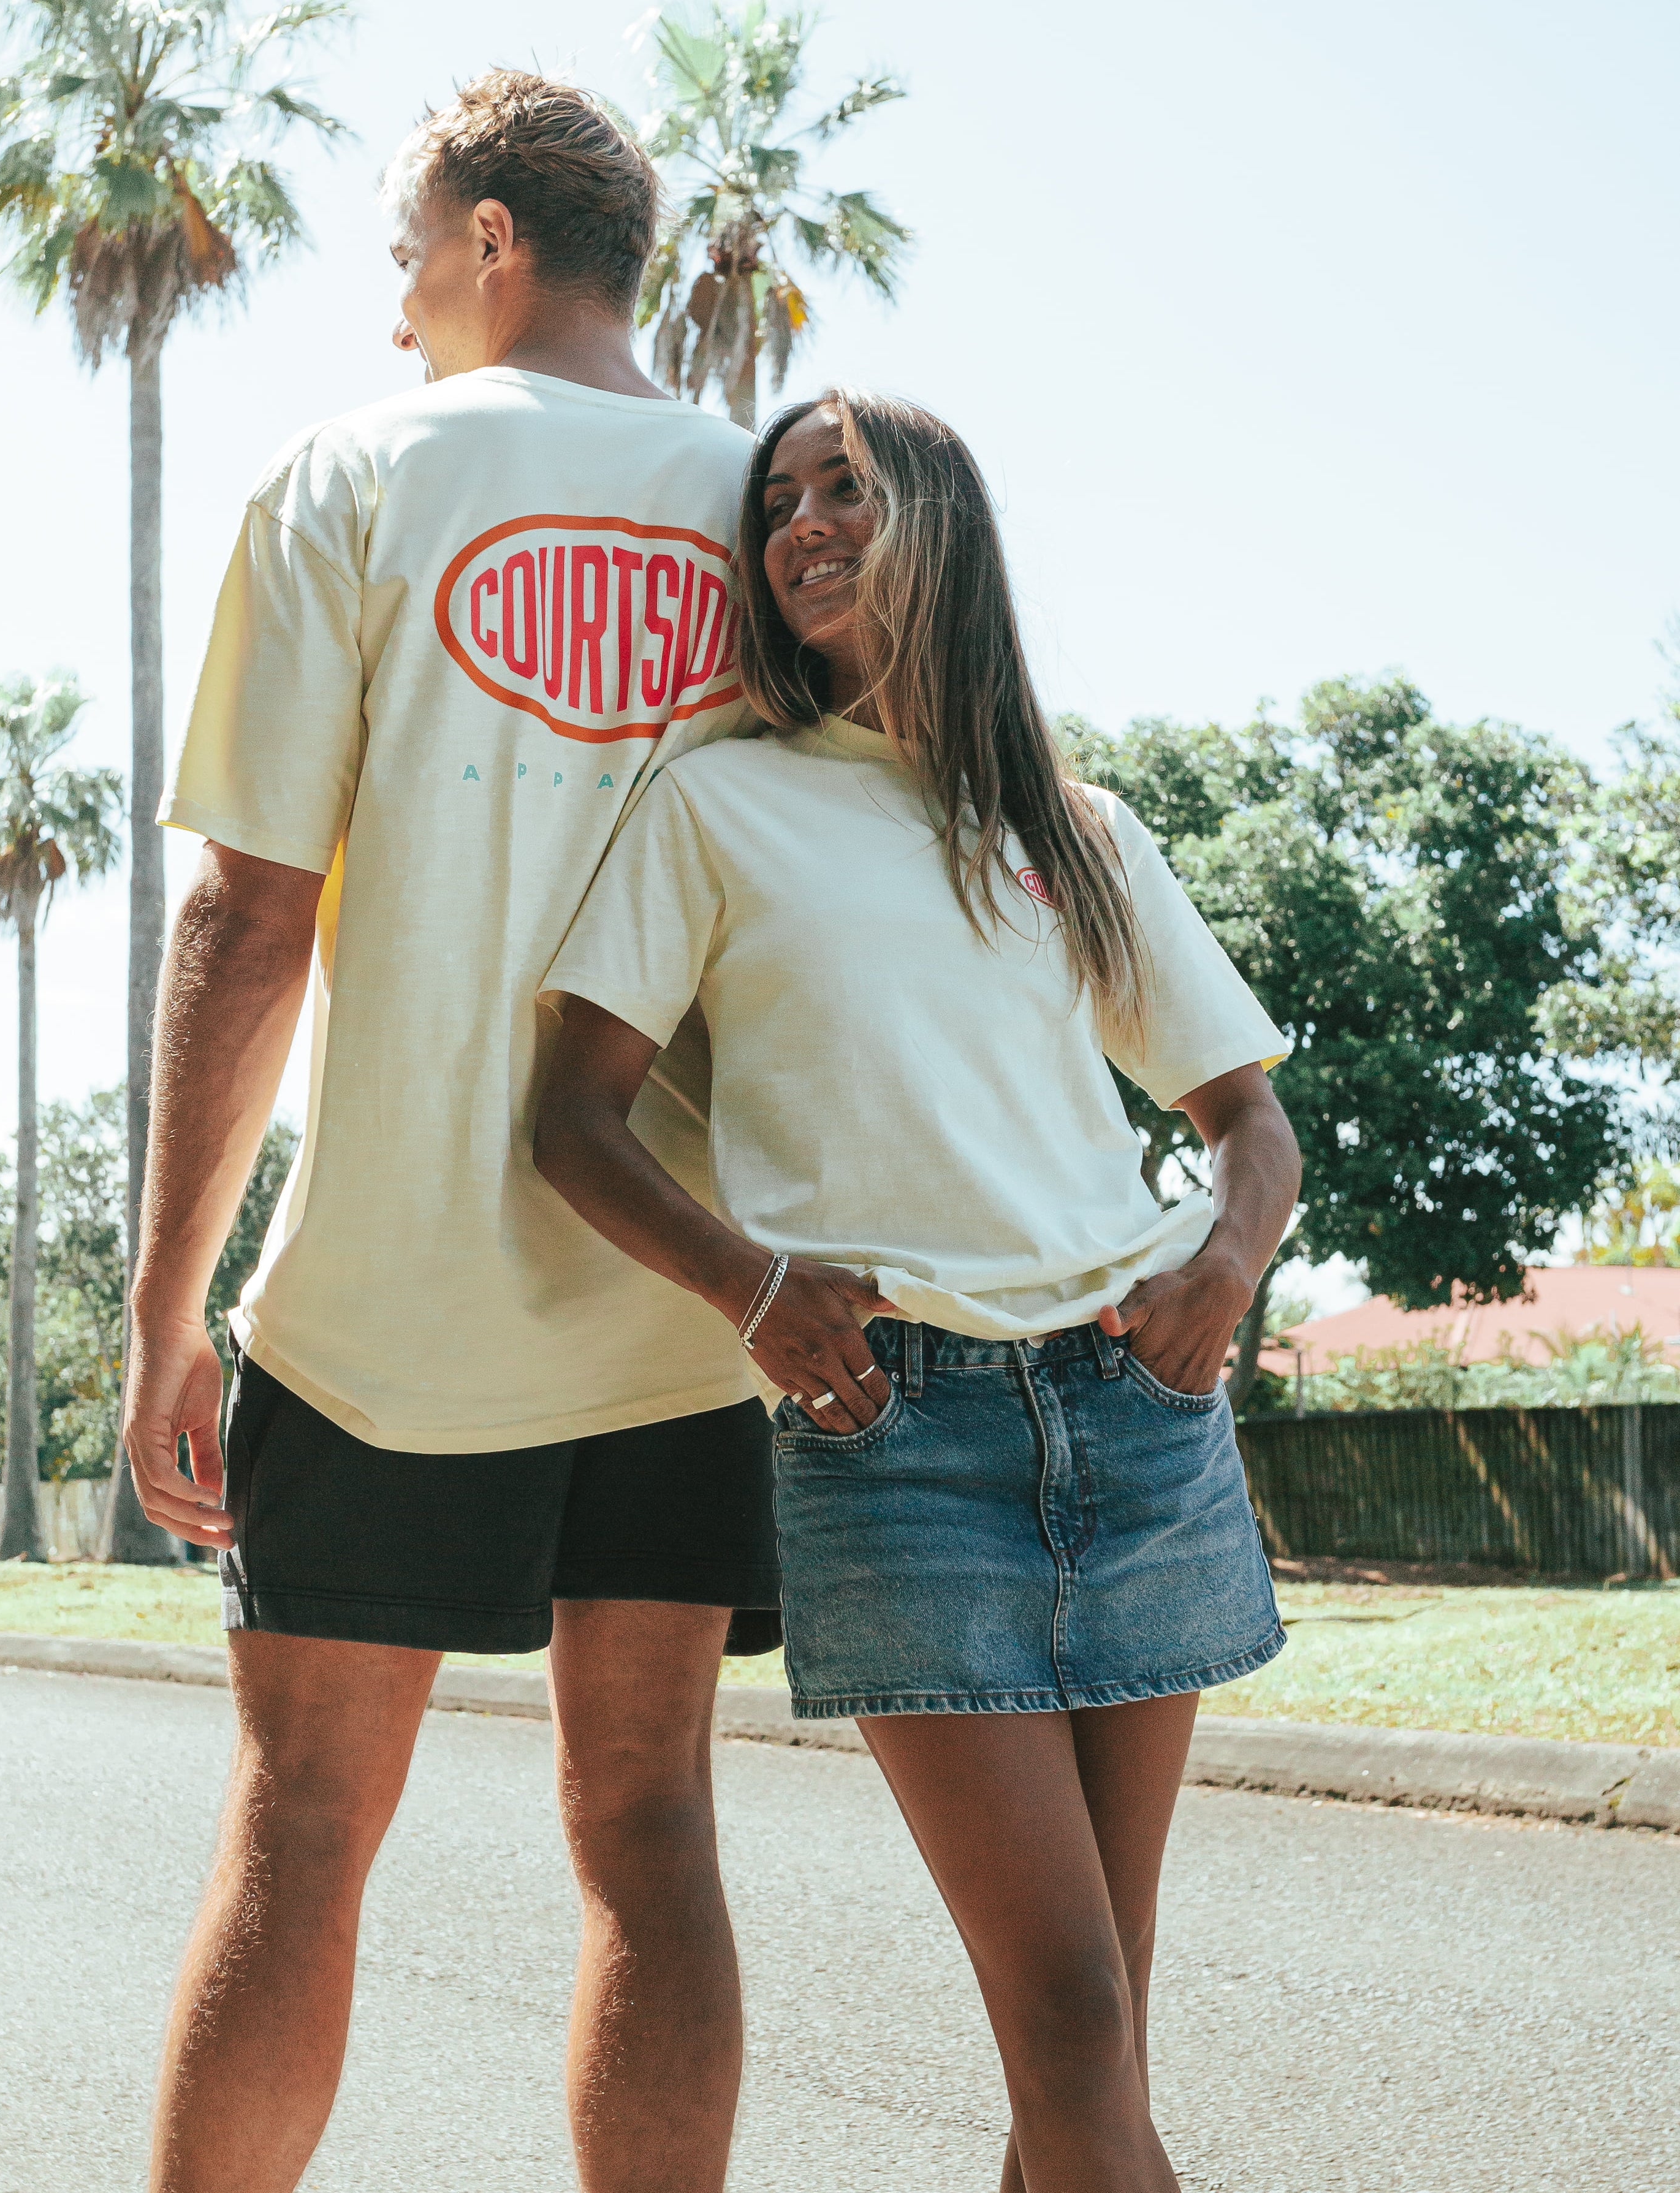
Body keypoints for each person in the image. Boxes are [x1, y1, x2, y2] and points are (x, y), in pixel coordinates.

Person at [120, 72, 780, 2193]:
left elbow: (244, 911)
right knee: (652, 1823)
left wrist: (166, 1306)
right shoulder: (783, 503)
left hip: (391, 1300)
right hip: (692, 1291)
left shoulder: (350, 476)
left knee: (304, 1831)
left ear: (492, 236)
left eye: (406, 247)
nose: (393, 299)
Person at [533, 389, 1301, 2193]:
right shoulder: (711, 802)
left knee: (1096, 2021)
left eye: (845, 491)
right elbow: (571, 1120)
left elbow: (1246, 1117)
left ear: (940, 525)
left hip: (1142, 1423)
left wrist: (1224, 1261)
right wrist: (751, 1288)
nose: (801, 521)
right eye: (780, 499)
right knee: (1070, 2016)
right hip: (897, 1434)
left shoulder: (1071, 826)